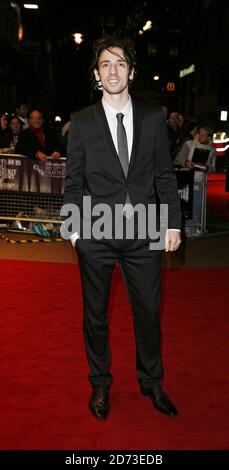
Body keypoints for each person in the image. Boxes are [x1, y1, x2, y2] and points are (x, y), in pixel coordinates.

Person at [63, 36, 181, 420]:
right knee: (95, 314)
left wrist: (173, 225)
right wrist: (75, 232)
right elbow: (73, 183)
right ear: (96, 75)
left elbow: (165, 175)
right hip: (96, 231)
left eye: (120, 63)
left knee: (148, 311)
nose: (113, 71)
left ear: (131, 70)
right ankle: (99, 383)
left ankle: (151, 380)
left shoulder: (153, 117)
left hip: (145, 229)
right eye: (105, 64)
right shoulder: (80, 123)